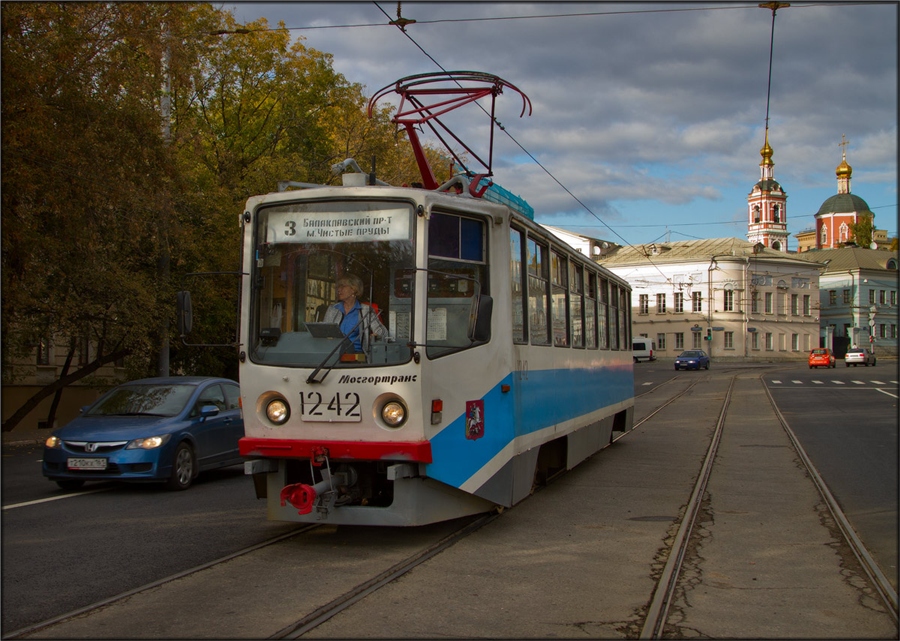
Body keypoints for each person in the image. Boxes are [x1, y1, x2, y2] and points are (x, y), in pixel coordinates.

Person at [323, 274, 391, 353]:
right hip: (333, 355)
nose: (339, 290)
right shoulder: (333, 309)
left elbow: (383, 333)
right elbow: (324, 332)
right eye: (338, 287)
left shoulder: (366, 310)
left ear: (354, 289)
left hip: (357, 356)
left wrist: (375, 337)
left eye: (343, 286)